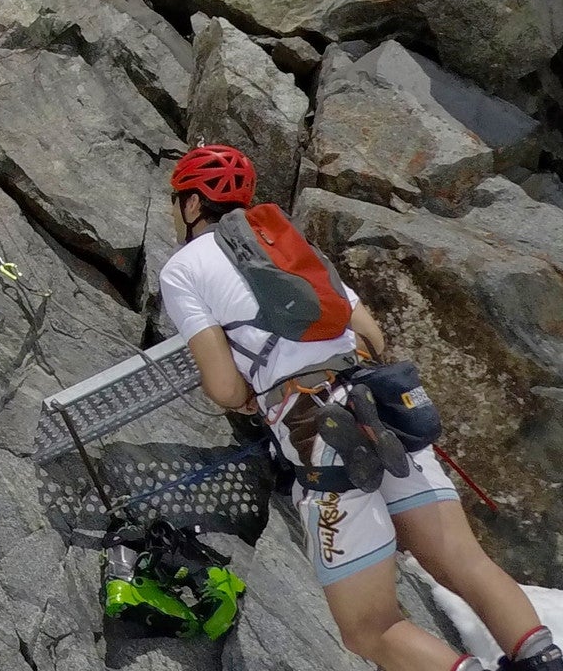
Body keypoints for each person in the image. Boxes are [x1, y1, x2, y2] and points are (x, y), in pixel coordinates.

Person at [157, 144, 555, 671]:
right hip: (378, 403)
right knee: (466, 564)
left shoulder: (182, 269)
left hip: (316, 431)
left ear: (190, 205)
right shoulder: (286, 242)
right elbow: (370, 333)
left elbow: (225, 388)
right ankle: (544, 659)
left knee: (370, 627)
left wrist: (260, 388)